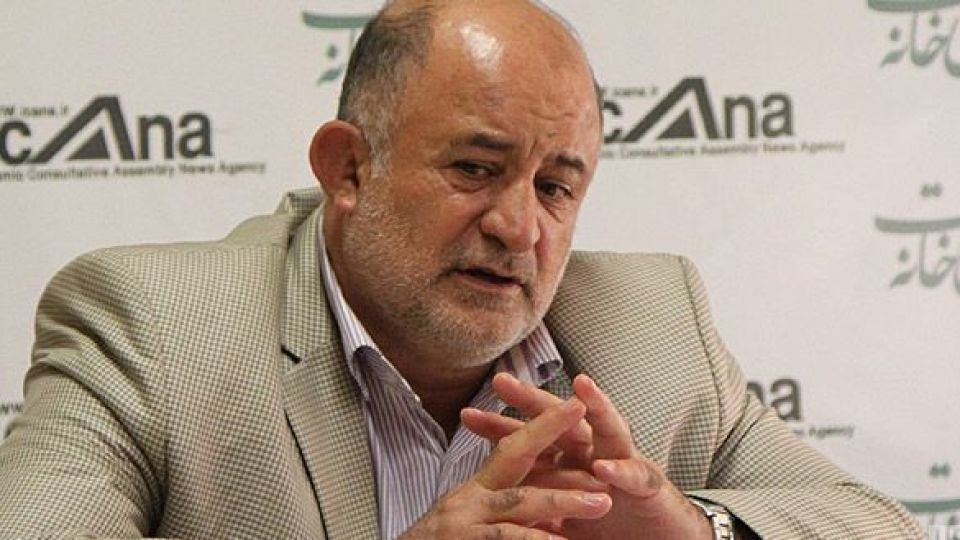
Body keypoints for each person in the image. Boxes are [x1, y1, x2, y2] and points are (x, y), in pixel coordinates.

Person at [0, 0, 922, 538]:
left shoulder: (652, 325)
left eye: (556, 187)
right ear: (348, 170)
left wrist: (694, 530)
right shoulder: (154, 327)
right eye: (476, 169)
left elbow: (882, 526)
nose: (519, 228)